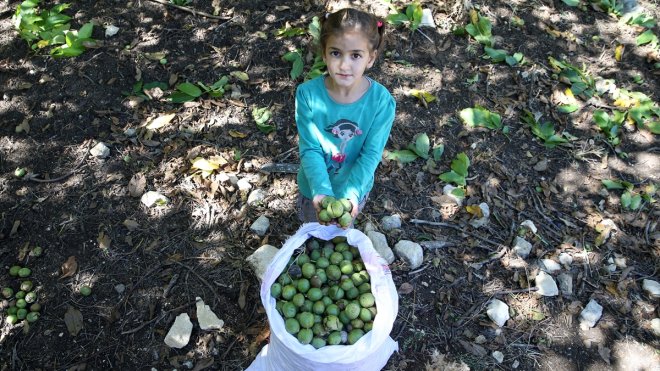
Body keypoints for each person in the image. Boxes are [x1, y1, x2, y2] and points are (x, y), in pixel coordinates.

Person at [295, 8, 396, 227]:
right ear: (324, 53)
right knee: (313, 229)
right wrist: (321, 191)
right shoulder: (308, 95)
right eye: (335, 53)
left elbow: (370, 154)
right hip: (313, 186)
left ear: (371, 58)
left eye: (356, 55)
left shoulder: (381, 102)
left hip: (354, 190)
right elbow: (310, 148)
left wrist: (351, 195)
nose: (344, 65)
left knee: (342, 231)